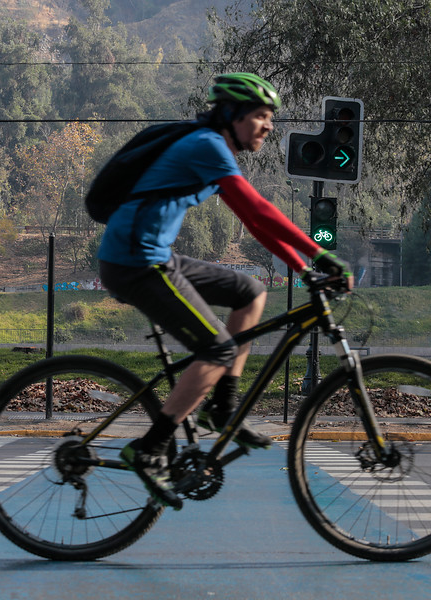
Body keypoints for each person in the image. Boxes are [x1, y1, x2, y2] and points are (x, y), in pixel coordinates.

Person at [96, 73, 353, 509]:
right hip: (134, 261)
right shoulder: (207, 145)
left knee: (250, 291)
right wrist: (318, 254)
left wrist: (302, 269)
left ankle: (222, 408)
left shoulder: (215, 150)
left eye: (270, 117)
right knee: (217, 349)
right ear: (233, 115)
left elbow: (253, 222)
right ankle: (150, 449)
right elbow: (260, 209)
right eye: (261, 116)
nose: (268, 126)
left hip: (155, 256)